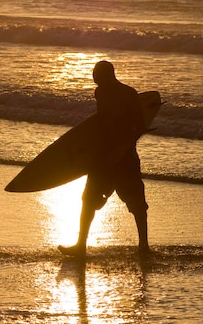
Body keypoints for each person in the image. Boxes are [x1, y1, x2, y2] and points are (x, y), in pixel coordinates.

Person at [59, 60, 150, 257]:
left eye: (98, 78)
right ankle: (80, 245)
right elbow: (100, 124)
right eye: (95, 78)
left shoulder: (128, 94)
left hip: (125, 157)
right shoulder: (100, 92)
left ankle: (144, 246)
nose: (96, 82)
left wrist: (122, 150)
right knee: (88, 199)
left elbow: (139, 127)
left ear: (110, 76)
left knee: (136, 203)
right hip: (102, 156)